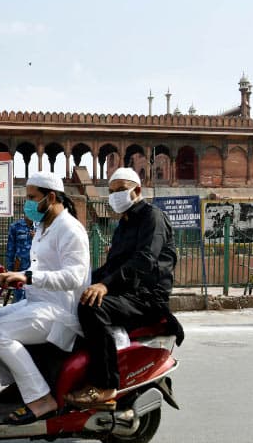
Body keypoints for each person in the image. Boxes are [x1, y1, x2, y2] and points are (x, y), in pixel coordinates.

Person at [0, 171, 90, 425]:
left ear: (51, 197)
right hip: (38, 304)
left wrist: (29, 277)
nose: (27, 203)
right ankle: (22, 387)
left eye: (32, 197)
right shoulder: (43, 227)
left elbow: (74, 277)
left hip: (61, 313)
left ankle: (41, 398)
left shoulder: (70, 229)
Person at [69, 168, 181, 407]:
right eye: (111, 192)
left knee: (91, 309)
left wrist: (105, 287)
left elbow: (144, 260)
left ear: (137, 190)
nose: (114, 196)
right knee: (74, 301)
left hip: (147, 297)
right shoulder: (123, 225)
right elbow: (113, 266)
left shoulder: (153, 217)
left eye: (120, 190)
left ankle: (105, 385)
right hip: (127, 292)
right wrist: (78, 283)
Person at [6, 214, 34, 303]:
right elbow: (10, 248)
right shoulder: (15, 226)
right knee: (19, 298)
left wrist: (37, 238)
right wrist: (10, 270)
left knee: (35, 299)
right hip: (19, 267)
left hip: (36, 269)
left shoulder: (42, 226)